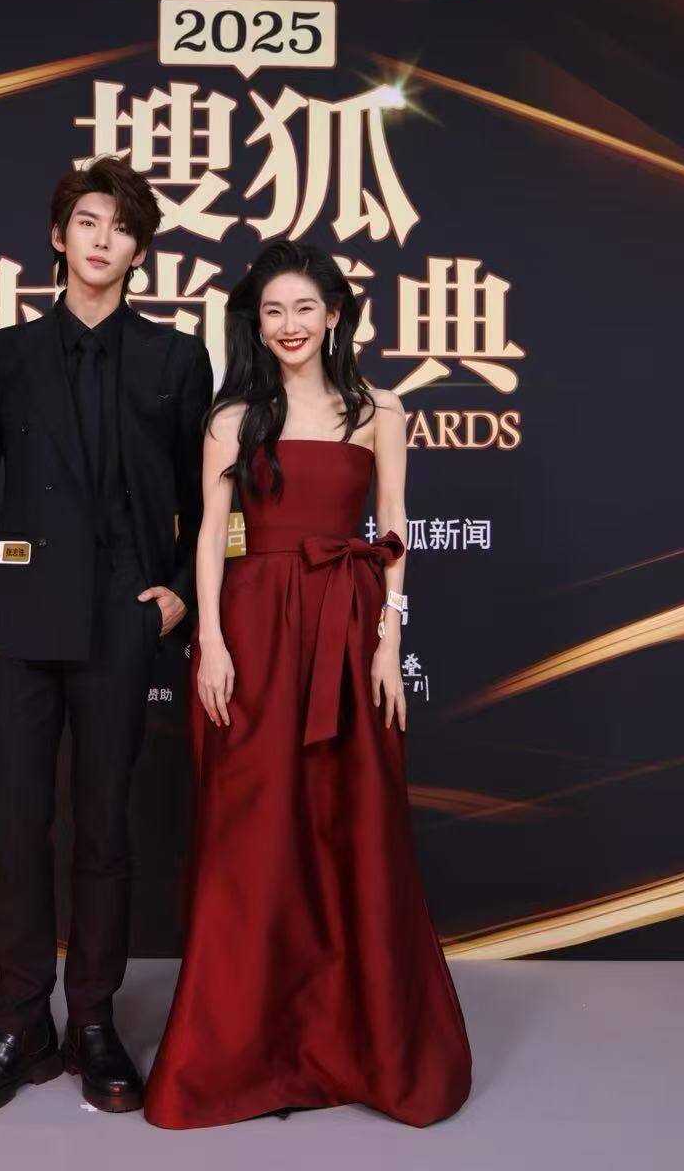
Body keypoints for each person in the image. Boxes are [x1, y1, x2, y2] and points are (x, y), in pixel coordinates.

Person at [144, 240, 472, 1129]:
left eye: (303, 309)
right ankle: (242, 1055)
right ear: (256, 325)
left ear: (333, 316)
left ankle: (356, 1044)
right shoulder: (232, 418)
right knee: (252, 838)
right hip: (253, 630)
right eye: (272, 312)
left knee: (352, 826)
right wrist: (211, 643)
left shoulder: (379, 410)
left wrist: (387, 638)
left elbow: (393, 527)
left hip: (347, 624)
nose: (288, 326)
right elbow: (210, 534)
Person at [0, 155, 214, 1116]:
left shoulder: (176, 361)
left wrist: (179, 595)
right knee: (18, 824)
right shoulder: (5, 354)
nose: (102, 239)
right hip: (23, 615)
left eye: (121, 227)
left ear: (139, 250)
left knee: (104, 825)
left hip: (122, 618)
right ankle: (19, 1024)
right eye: (88, 221)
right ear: (59, 236)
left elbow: (207, 500)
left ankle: (92, 1021)